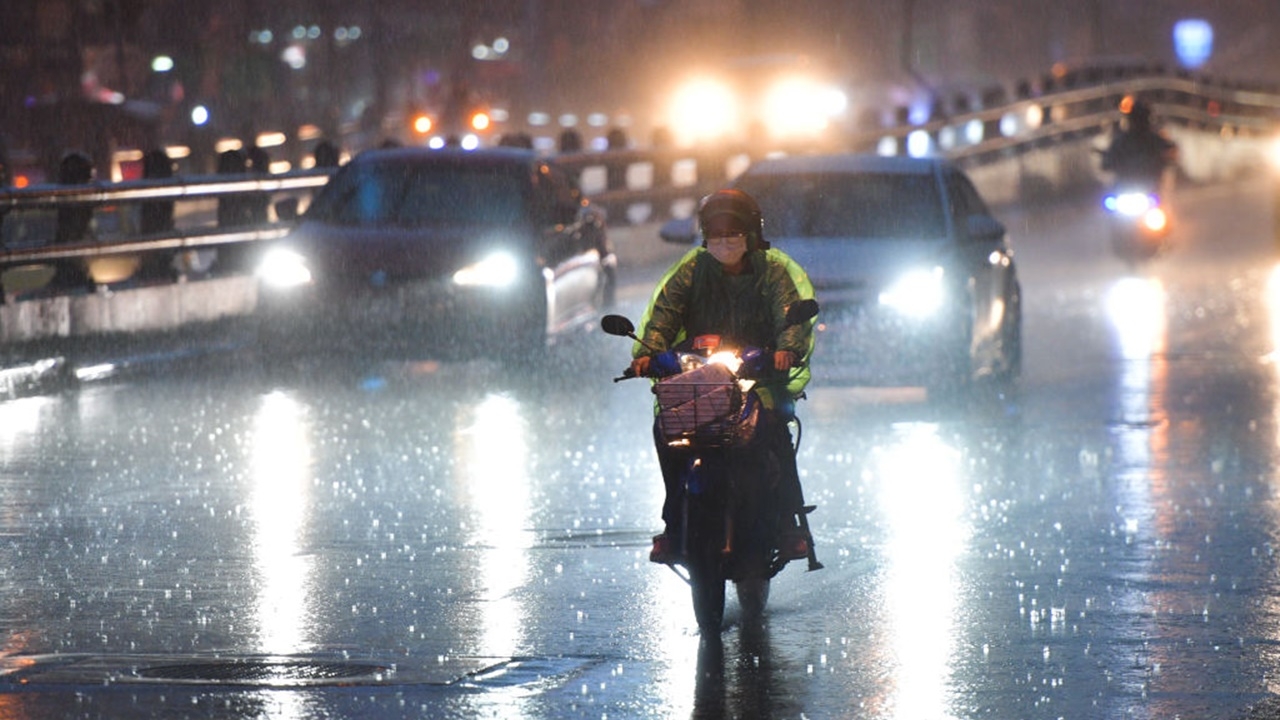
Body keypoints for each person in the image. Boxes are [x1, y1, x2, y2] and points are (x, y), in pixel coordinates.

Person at [629, 188, 818, 564]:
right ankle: (674, 524)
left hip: (759, 379)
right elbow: (664, 314)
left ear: (751, 233)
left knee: (777, 427)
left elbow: (790, 316)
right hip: (702, 378)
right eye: (716, 233)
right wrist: (649, 354)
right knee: (666, 432)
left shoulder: (775, 271)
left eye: (733, 232)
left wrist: (785, 350)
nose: (724, 240)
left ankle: (787, 520)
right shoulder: (692, 271)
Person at [1100, 97, 1178, 188]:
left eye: (1141, 118)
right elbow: (1108, 160)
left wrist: (1166, 159)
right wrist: (1107, 160)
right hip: (1124, 186)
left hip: (1149, 185)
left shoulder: (1153, 139)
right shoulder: (1122, 141)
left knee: (1162, 194)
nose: (1139, 122)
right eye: (1136, 119)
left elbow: (1169, 150)